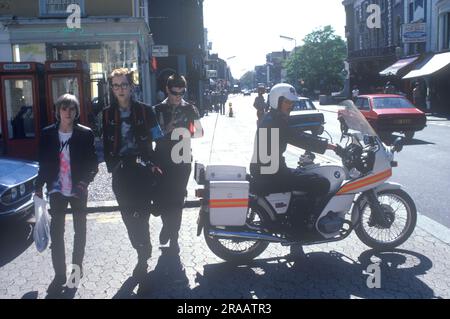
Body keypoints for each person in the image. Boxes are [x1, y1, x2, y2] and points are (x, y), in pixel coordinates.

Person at [250, 83, 340, 259]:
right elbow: (298, 138)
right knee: (320, 183)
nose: (291, 105)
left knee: (307, 177)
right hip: (272, 171)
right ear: (278, 101)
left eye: (292, 103)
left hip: (268, 168)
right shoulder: (275, 121)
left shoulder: (273, 118)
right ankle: (298, 232)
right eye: (288, 102)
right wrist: (331, 146)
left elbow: (295, 131)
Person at [102, 68, 162, 282]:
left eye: (124, 84)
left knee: (142, 215)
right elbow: (106, 143)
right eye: (116, 85)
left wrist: (155, 164)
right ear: (112, 88)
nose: (120, 89)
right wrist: (112, 166)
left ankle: (142, 256)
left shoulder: (146, 111)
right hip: (121, 173)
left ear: (132, 86)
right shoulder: (107, 113)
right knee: (128, 217)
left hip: (142, 170)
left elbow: (158, 138)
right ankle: (141, 247)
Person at [35, 94, 98, 295]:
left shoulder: (85, 134)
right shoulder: (47, 134)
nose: (68, 112)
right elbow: (43, 163)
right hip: (56, 189)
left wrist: (84, 182)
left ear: (76, 111)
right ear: (58, 111)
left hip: (78, 190)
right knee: (57, 233)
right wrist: (38, 186)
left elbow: (93, 164)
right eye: (64, 108)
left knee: (80, 232)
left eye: (72, 108)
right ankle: (59, 274)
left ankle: (76, 271)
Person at [153, 74, 203, 254]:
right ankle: (167, 225)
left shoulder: (191, 109)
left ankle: (173, 235)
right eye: (174, 93)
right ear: (167, 89)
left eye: (181, 93)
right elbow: (151, 136)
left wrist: (186, 133)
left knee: (177, 199)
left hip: (182, 160)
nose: (178, 97)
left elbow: (200, 132)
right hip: (161, 160)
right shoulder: (157, 110)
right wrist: (166, 130)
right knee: (162, 198)